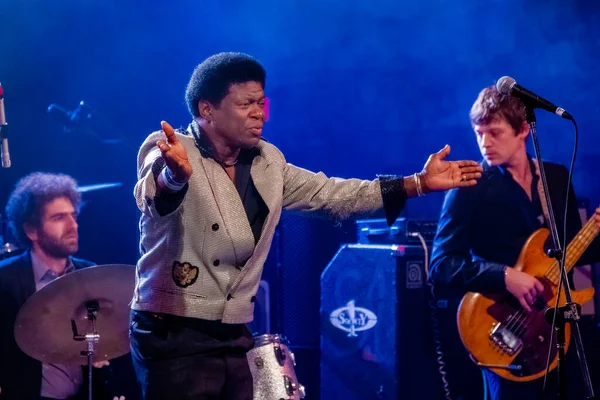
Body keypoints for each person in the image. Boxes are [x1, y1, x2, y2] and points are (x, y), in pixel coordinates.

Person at [130, 51, 484, 400]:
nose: (258, 114)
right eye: (246, 104)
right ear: (207, 110)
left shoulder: (269, 162)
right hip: (172, 331)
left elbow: (334, 195)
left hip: (233, 332)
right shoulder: (170, 147)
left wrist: (417, 183)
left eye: (261, 104)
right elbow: (151, 196)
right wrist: (174, 178)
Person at [429, 85, 600, 400]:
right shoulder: (470, 186)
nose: (484, 143)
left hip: (556, 327)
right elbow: (441, 266)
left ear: (523, 130)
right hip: (503, 327)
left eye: (494, 133)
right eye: (479, 134)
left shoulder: (556, 177)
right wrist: (505, 276)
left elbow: (577, 251)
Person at [0, 172, 124, 400]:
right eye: (59, 218)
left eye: (73, 216)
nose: (73, 225)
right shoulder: (5, 279)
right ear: (31, 230)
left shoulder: (90, 273)